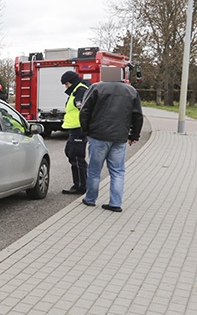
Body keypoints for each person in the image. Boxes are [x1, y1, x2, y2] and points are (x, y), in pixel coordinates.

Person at [79, 68, 143, 212]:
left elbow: (85, 111)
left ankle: (90, 199)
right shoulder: (131, 91)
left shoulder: (96, 88)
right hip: (119, 137)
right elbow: (138, 115)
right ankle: (115, 203)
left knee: (94, 170)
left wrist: (85, 130)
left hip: (98, 135)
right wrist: (134, 135)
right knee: (118, 171)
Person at [59, 70, 89, 195]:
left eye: (66, 84)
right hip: (74, 129)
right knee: (71, 153)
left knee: (77, 157)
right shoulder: (77, 89)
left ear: (71, 82)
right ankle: (81, 184)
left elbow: (83, 109)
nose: (66, 87)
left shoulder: (80, 90)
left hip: (79, 129)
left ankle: (81, 186)